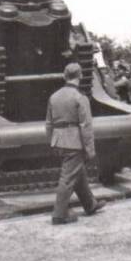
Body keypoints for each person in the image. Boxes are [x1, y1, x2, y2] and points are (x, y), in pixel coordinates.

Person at [45, 63, 106, 225]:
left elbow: (49, 123)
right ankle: (59, 214)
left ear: (64, 76)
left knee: (77, 173)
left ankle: (90, 204)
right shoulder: (80, 97)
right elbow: (86, 126)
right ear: (80, 76)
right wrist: (90, 149)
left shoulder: (54, 96)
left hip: (58, 141)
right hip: (74, 142)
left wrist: (51, 141)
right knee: (67, 177)